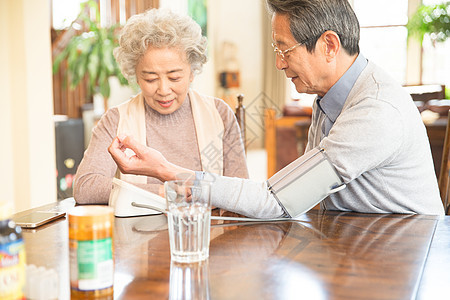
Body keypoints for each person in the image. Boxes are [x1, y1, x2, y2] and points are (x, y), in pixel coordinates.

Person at [108, 0, 445, 217]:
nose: (278, 63)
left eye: (285, 50)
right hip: (360, 241)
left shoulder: (374, 109)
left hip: (402, 255)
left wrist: (166, 170)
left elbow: (278, 199)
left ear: (329, 45)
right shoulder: (331, 97)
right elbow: (293, 193)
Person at [74, 8, 248, 204]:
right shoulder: (116, 119)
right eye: (150, 78)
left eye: (175, 77)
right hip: (137, 233)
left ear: (192, 72)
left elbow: (240, 192)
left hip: (207, 231)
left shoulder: (219, 114)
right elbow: (85, 187)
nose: (164, 89)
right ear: (135, 76)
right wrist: (160, 192)